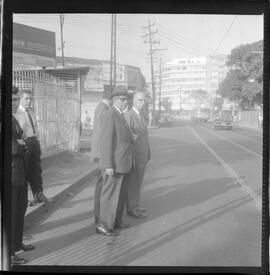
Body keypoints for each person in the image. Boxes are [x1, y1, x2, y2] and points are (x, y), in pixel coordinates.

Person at [97, 86, 133, 236]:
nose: (125, 103)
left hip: (123, 163)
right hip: (114, 164)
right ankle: (104, 225)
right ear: (115, 100)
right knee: (110, 195)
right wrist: (108, 165)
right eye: (122, 100)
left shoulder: (120, 115)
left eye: (126, 100)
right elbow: (105, 142)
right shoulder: (109, 115)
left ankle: (115, 220)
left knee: (120, 195)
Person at [15, 89, 53, 204]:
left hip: (34, 142)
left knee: (36, 170)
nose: (29, 101)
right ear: (20, 99)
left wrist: (37, 139)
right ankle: (23, 199)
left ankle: (39, 195)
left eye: (30, 98)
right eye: (26, 98)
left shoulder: (31, 111)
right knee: (24, 172)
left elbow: (35, 126)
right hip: (25, 143)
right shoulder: (16, 112)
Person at [11, 86, 35, 265]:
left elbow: (23, 141)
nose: (12, 103)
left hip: (19, 171)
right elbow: (13, 146)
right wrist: (20, 145)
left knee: (20, 210)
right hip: (10, 174)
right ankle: (9, 253)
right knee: (11, 214)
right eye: (10, 99)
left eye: (14, 100)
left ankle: (17, 244)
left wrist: (21, 144)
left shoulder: (12, 118)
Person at [124, 92, 151, 218]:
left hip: (142, 156)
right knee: (133, 183)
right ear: (134, 101)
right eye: (140, 100)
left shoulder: (140, 115)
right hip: (135, 156)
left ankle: (136, 204)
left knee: (138, 182)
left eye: (144, 100)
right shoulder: (129, 115)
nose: (143, 103)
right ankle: (132, 208)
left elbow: (144, 137)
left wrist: (148, 153)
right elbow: (127, 137)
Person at [90, 86, 112, 224]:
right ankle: (99, 217)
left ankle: (99, 216)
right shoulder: (103, 109)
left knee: (101, 185)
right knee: (102, 187)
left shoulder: (101, 107)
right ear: (110, 98)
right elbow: (102, 134)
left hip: (99, 152)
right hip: (101, 153)